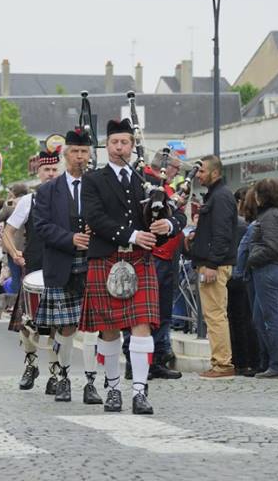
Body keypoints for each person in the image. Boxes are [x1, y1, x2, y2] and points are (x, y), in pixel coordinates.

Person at [80, 118, 179, 414]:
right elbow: (95, 218)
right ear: (107, 145)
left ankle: (139, 391)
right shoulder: (93, 180)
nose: (118, 147)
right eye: (113, 142)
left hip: (138, 260)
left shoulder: (144, 181)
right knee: (109, 330)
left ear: (132, 146)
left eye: (124, 142)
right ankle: (112, 390)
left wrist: (168, 225)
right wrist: (133, 234)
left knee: (142, 326)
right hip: (107, 257)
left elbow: (173, 214)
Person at [31, 126, 106, 404]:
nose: (79, 156)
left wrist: (97, 230)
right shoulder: (48, 190)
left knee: (93, 326)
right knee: (66, 327)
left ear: (90, 154)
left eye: (84, 151)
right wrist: (71, 238)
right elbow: (41, 227)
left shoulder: (98, 186)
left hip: (93, 264)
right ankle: (62, 378)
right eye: (74, 151)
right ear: (65, 154)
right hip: (63, 263)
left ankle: (90, 383)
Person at [2, 150, 61, 393]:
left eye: (54, 169)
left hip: (60, 268)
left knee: (59, 323)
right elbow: (7, 231)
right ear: (38, 172)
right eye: (46, 169)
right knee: (27, 324)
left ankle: (57, 373)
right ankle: (31, 363)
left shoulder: (68, 199)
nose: (50, 173)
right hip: (34, 269)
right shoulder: (29, 201)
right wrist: (15, 253)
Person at [188, 154, 238, 379]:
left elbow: (222, 233)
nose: (198, 175)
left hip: (214, 266)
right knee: (213, 314)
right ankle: (220, 361)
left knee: (215, 315)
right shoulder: (215, 196)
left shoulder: (221, 197)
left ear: (215, 173)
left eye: (202, 171)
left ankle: (223, 364)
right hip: (211, 262)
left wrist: (212, 264)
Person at [138, 152, 186, 380]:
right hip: (155, 255)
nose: (177, 174)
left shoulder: (162, 186)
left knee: (160, 310)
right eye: (175, 168)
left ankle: (154, 360)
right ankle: (145, 361)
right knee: (150, 312)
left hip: (164, 256)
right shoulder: (150, 184)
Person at [245, 179, 278, 379]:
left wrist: (251, 258)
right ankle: (272, 362)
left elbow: (271, 247)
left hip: (268, 270)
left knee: (271, 319)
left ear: (261, 196)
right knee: (260, 318)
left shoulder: (269, 216)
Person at [231, 186, 261, 376]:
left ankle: (244, 361)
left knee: (240, 319)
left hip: (240, 275)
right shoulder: (251, 224)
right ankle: (253, 361)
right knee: (248, 318)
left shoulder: (244, 225)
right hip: (249, 274)